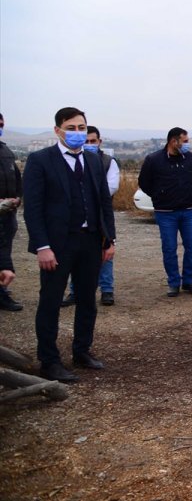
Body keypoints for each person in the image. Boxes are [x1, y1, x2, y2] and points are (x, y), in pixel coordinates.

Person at [22, 107, 116, 383]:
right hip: (57, 244)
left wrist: (109, 239)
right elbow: (33, 208)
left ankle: (82, 350)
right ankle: (49, 361)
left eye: (81, 128)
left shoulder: (94, 160)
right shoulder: (40, 160)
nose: (77, 133)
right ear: (58, 130)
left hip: (90, 240)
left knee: (87, 299)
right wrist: (42, 246)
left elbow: (103, 202)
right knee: (51, 302)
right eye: (71, 128)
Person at [138, 127, 192, 297]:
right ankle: (173, 282)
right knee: (169, 248)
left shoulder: (189, 158)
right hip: (165, 212)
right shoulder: (153, 160)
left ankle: (188, 280)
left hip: (188, 210)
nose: (187, 144)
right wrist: (159, 195)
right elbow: (144, 182)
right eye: (185, 141)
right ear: (174, 141)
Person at [63, 125, 120, 307]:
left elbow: (111, 186)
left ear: (99, 141)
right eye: (86, 141)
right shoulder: (72, 160)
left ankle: (107, 290)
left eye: (92, 141)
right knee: (76, 255)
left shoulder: (108, 161)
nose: (89, 144)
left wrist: (89, 195)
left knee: (106, 250)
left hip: (101, 214)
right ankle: (75, 291)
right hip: (77, 217)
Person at [0, 112, 23, 311]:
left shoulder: (6, 151)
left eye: (1, 124)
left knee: (4, 251)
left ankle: (2, 291)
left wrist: (18, 197)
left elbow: (16, 178)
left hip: (8, 214)